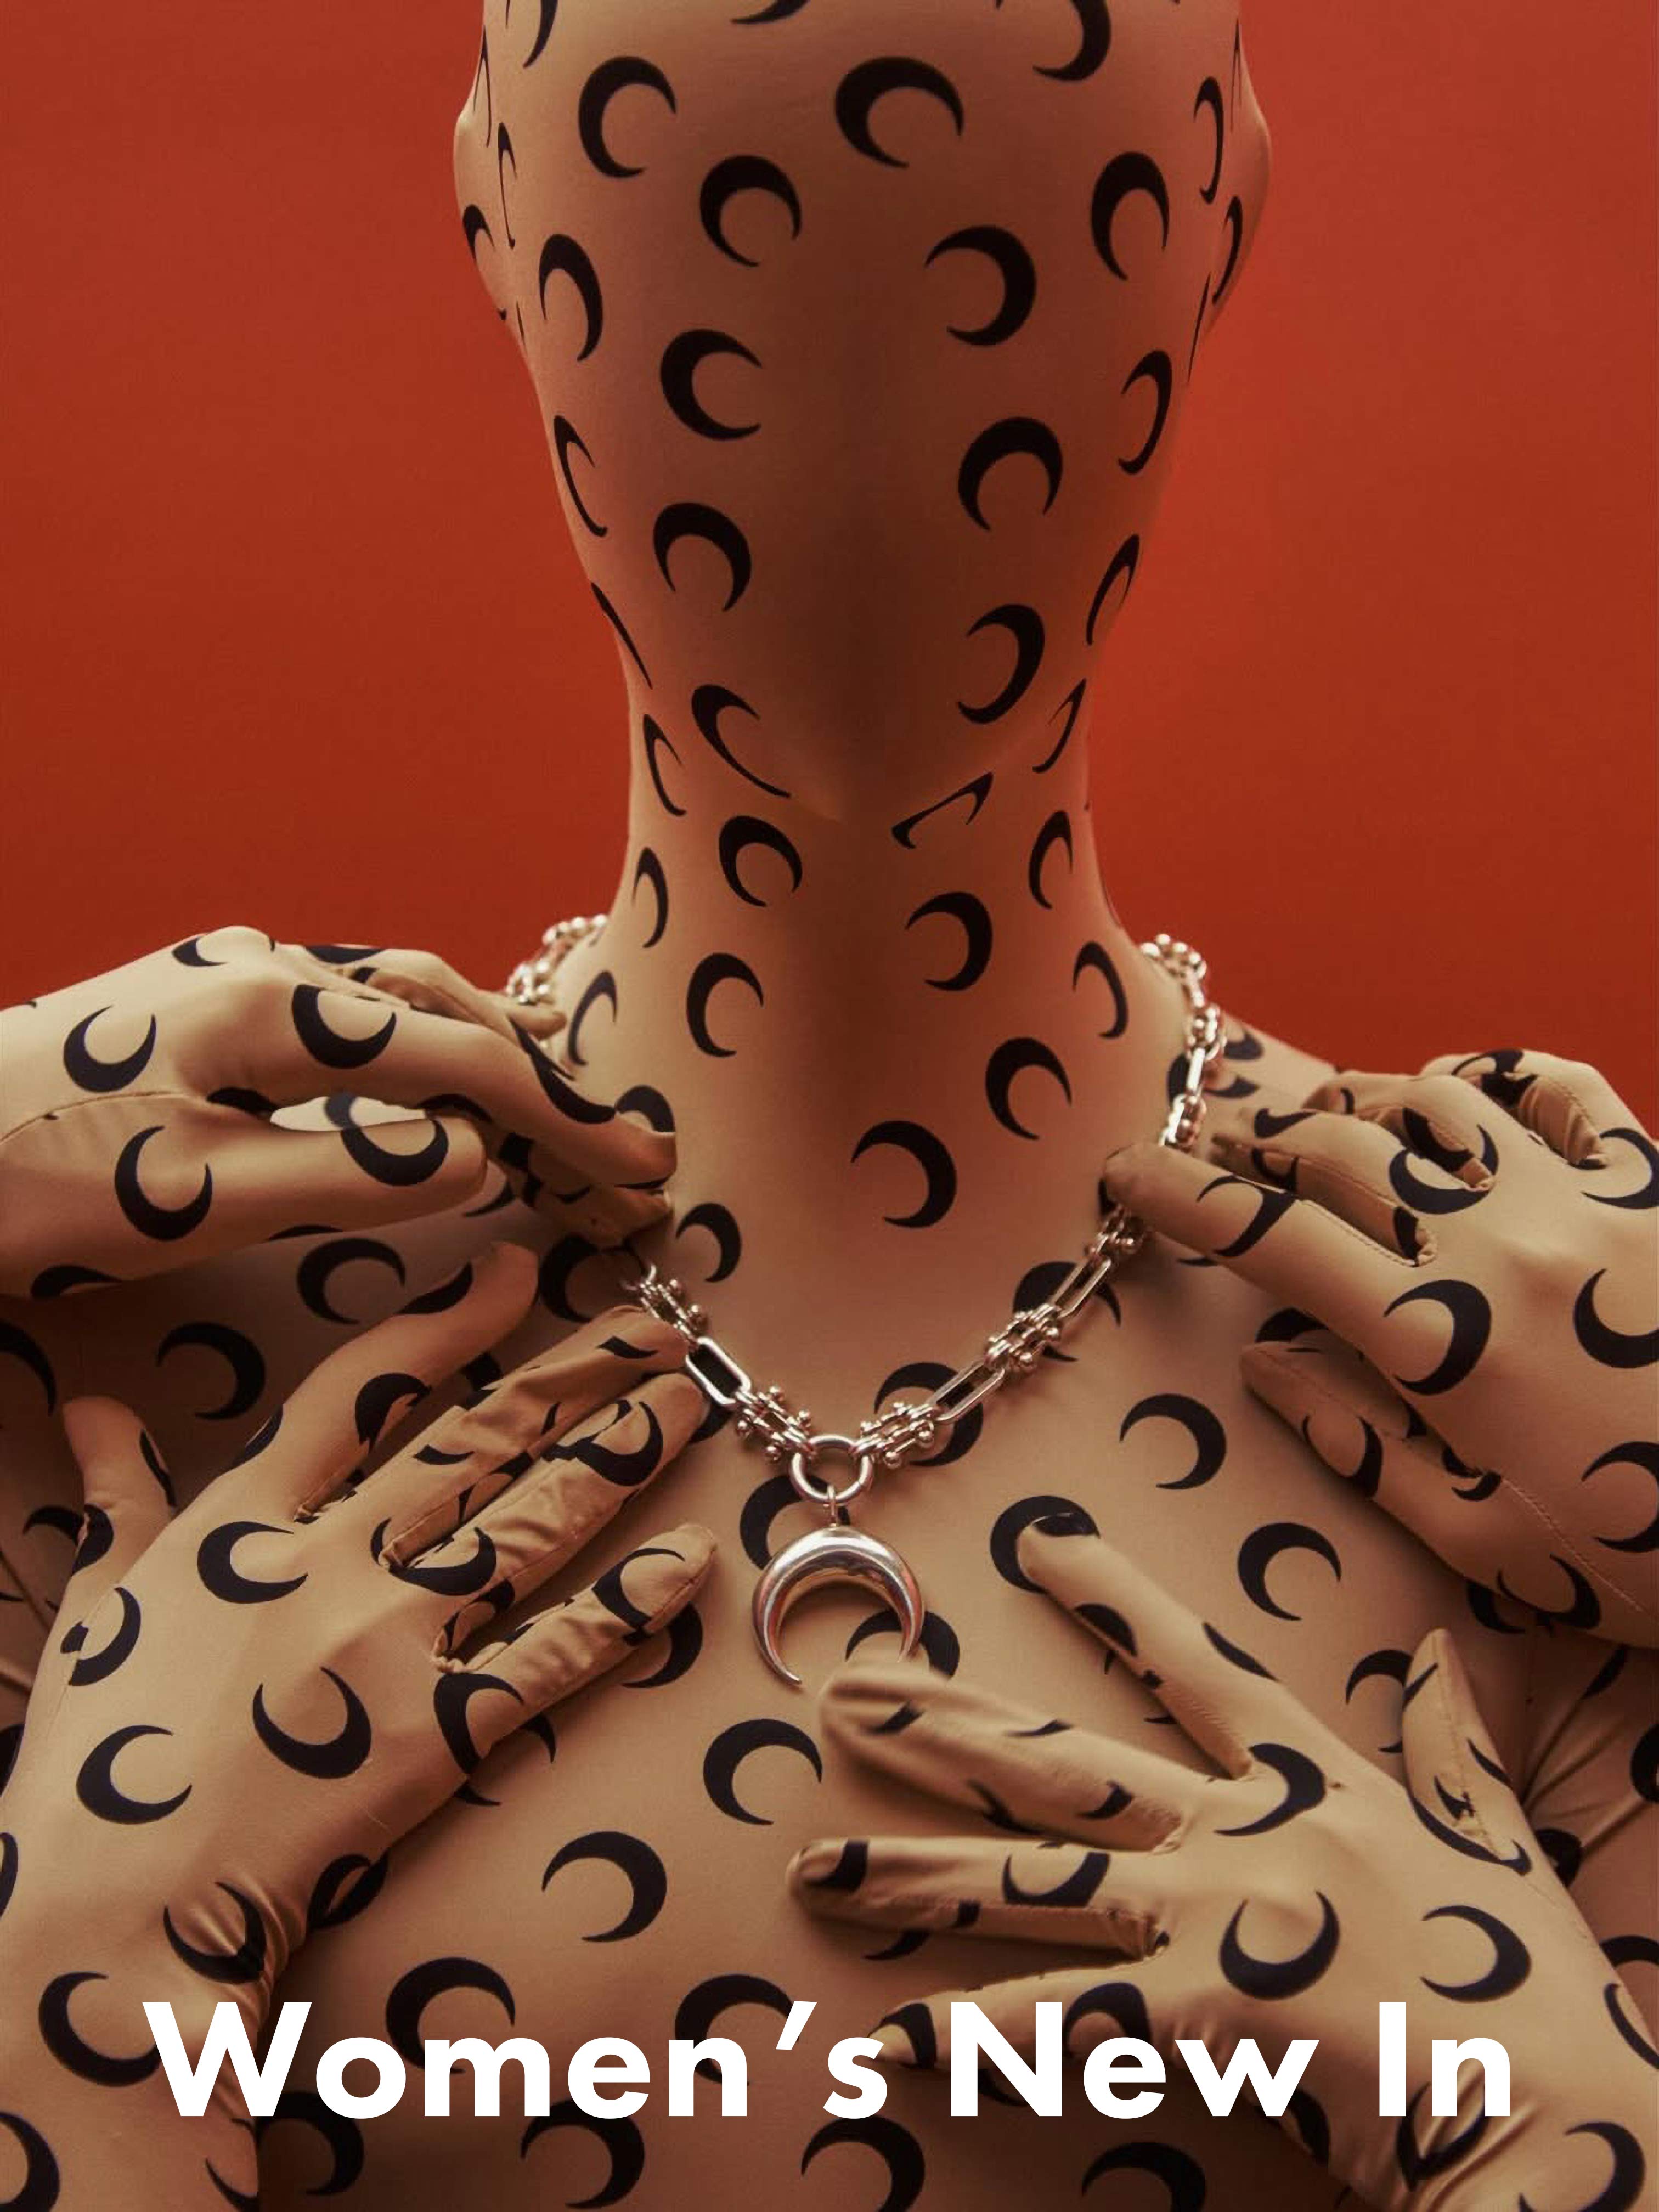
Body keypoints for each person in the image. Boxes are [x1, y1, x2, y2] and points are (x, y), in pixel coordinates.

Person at [1, 2, 1652, 2205]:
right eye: (702, 224)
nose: (859, 430)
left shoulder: (1550, 1419)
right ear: (494, 210)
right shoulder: (120, 1349)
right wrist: (92, 1961)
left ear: (1224, 212)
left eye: (1013, 239)